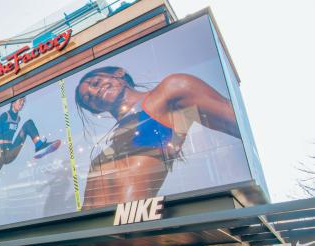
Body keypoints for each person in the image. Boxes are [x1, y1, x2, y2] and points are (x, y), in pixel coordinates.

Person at [75, 66, 242, 209]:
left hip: (126, 228)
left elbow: (241, 123)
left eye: (95, 83)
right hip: (89, 233)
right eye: (88, 98)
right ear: (95, 110)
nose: (94, 92)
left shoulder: (168, 91)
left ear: (119, 73)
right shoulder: (110, 142)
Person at [0, 97, 61, 211]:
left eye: (24, 102)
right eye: (20, 101)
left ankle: (39, 146)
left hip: (10, 151)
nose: (22, 103)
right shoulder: (4, 116)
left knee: (28, 124)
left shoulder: (18, 118)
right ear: (13, 103)